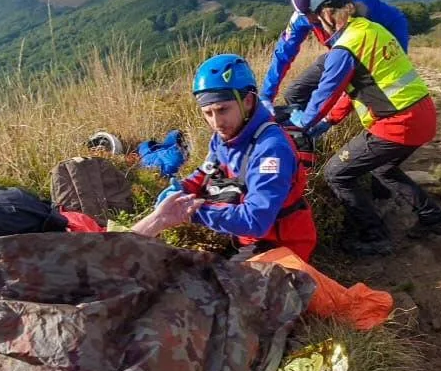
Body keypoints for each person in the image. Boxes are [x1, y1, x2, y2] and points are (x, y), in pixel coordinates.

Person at [285, 0, 441, 257]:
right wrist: (328, 122)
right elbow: (357, 89)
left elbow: (325, 93)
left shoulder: (345, 48)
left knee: (336, 173)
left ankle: (375, 236)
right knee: (383, 168)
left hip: (398, 124)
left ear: (327, 13)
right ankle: (432, 217)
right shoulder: (370, 30)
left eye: (317, 18)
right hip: (422, 115)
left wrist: (304, 123)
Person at [134, 54, 317, 260]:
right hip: (248, 239)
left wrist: (189, 212)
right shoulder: (226, 135)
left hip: (282, 245)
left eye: (222, 110)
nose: (216, 122)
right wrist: (183, 189)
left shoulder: (271, 149)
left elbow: (256, 220)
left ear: (247, 101)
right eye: (208, 113)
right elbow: (207, 171)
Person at [260, 0, 411, 113]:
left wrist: (397, 56)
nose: (309, 19)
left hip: (370, 53)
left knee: (364, 97)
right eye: (304, 15)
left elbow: (396, 21)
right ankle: (303, 133)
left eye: (311, 14)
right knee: (295, 94)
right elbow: (283, 53)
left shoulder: (361, 3)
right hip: (341, 52)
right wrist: (266, 96)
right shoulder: (302, 15)